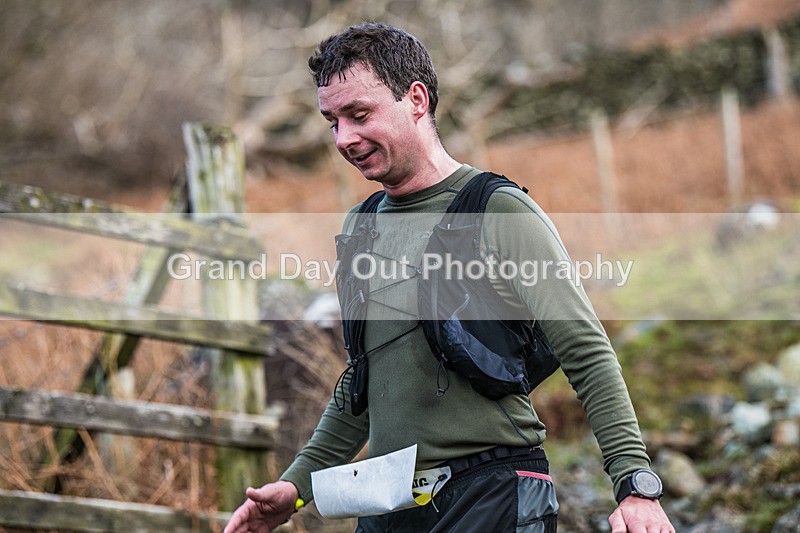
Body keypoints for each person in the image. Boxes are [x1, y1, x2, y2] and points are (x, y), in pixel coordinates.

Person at [225, 22, 675, 533]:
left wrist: (635, 485)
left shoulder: (497, 210)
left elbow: (586, 352)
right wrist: (296, 486)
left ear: (416, 100)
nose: (344, 138)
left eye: (359, 115)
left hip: (494, 495)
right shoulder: (361, 227)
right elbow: (364, 386)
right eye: (332, 121)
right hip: (388, 504)